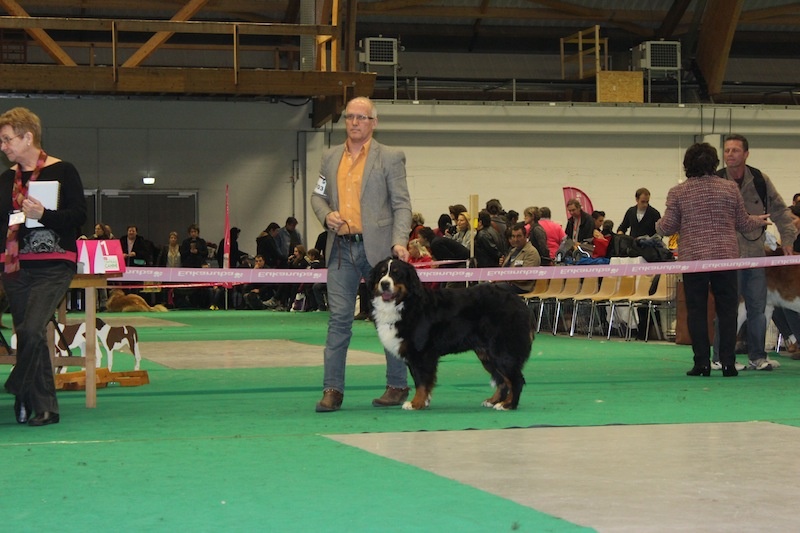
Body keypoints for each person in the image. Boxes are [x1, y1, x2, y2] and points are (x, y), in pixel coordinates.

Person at [310, 96, 412, 412]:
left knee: (390, 319)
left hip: (379, 251)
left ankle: (397, 386)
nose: (354, 122)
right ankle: (332, 390)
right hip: (340, 250)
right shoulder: (329, 157)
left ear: (373, 122)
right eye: (350, 117)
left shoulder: (391, 157)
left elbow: (401, 204)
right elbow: (318, 196)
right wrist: (327, 215)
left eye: (361, 117)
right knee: (339, 320)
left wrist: (399, 240)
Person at [0, 106, 87, 426]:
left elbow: (79, 216)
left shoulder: (64, 171)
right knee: (27, 335)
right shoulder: (6, 180)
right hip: (14, 268)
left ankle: (17, 386)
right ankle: (44, 407)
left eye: (8, 140)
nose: (3, 146)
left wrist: (44, 215)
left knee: (33, 329)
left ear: (27, 137)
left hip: (54, 264)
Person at [655, 142, 769, 377]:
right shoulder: (729, 188)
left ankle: (702, 364)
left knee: (696, 311)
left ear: (687, 164)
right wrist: (759, 220)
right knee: (728, 311)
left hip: (694, 259)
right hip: (725, 258)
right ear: (714, 163)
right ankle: (728, 363)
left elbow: (667, 227)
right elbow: (743, 223)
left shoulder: (678, 192)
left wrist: (654, 224)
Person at [713, 134, 796, 371]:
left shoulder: (760, 180)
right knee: (727, 309)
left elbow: (780, 211)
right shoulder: (716, 181)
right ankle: (719, 357)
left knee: (758, 309)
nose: (730, 154)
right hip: (726, 256)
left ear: (746, 154)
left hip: (756, 255)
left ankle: (757, 357)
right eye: (727, 150)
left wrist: (788, 240)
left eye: (735, 150)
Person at [496, 223, 541, 294]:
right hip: (507, 283)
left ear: (525, 236)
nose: (515, 239)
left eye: (519, 236)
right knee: (485, 287)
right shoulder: (513, 251)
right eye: (513, 236)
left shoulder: (531, 252)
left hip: (521, 287)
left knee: (494, 289)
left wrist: (506, 277)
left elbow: (526, 276)